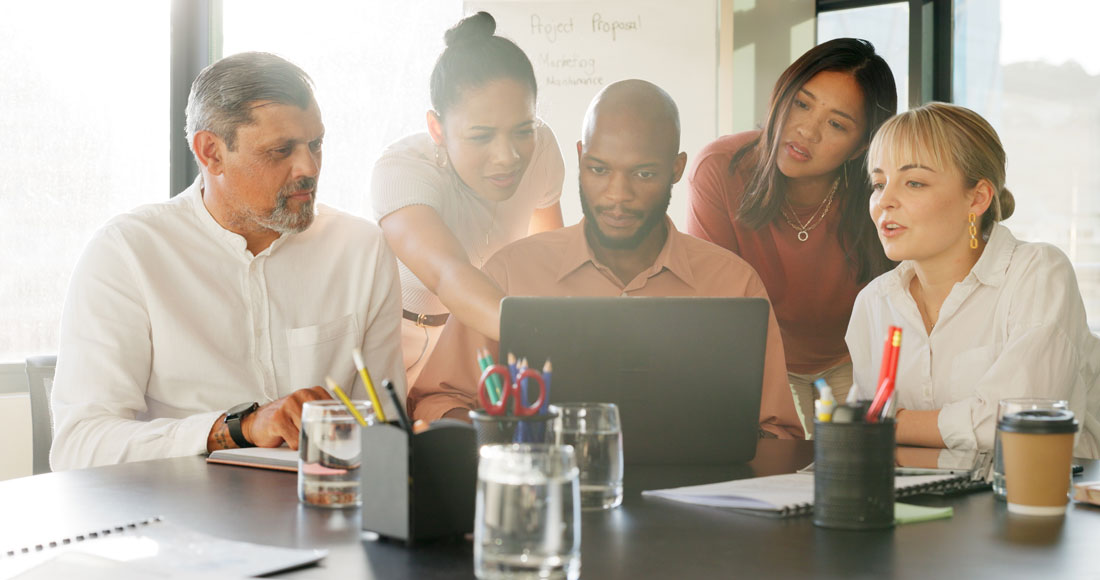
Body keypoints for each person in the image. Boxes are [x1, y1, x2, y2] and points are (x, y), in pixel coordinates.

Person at [50, 52, 405, 470]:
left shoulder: (361, 248)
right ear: (210, 152)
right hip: (176, 516)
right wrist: (238, 428)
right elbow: (80, 446)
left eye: (316, 144)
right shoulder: (126, 253)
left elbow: (387, 429)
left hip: (322, 511)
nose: (308, 167)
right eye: (281, 150)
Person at [408, 79, 804, 439]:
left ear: (676, 169)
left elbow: (777, 431)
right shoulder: (510, 272)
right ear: (580, 158)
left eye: (644, 175)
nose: (618, 195)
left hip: (696, 502)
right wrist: (498, 442)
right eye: (599, 169)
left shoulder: (734, 285)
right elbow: (436, 401)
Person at [846, 102, 1099, 457]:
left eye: (914, 182)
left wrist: (892, 423)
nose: (884, 201)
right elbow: (860, 434)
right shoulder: (874, 302)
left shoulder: (1038, 272)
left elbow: (1020, 422)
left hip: (1043, 499)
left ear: (978, 198)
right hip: (923, 498)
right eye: (878, 183)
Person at [686, 38, 897, 436]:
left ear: (861, 147)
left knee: (859, 471)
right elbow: (713, 312)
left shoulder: (878, 193)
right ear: (781, 95)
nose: (806, 131)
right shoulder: (721, 169)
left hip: (854, 360)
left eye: (836, 124)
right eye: (802, 103)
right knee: (785, 470)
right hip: (761, 362)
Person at [371, 12, 565, 386]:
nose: (508, 156)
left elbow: (546, 264)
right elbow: (449, 274)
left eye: (522, 129)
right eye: (481, 136)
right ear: (437, 128)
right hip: (395, 349)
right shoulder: (401, 171)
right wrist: (553, 336)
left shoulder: (541, 147)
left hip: (480, 344)